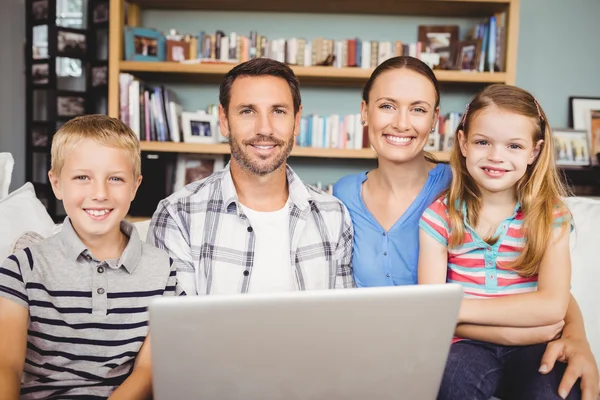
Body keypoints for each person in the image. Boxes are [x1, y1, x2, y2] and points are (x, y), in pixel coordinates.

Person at [333, 56, 598, 399]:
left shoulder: (471, 185)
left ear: (435, 120)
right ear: (365, 111)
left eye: (417, 108)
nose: (401, 122)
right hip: (394, 353)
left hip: (453, 343)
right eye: (387, 106)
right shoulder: (342, 196)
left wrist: (577, 338)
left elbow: (551, 293)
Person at [418, 84, 585, 399]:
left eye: (514, 146)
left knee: (554, 392)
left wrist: (458, 309)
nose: (496, 156)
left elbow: (551, 307)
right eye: (483, 142)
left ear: (534, 152)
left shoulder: (551, 216)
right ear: (463, 143)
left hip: (537, 345)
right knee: (452, 384)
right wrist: (518, 329)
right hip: (465, 346)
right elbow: (432, 314)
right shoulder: (438, 217)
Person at [0, 115, 182, 399]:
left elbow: (146, 372)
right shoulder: (22, 267)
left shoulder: (163, 270)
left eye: (116, 179)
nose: (99, 193)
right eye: (82, 177)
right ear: (57, 183)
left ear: (135, 185)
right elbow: (6, 366)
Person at [147, 58, 355, 295]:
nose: (264, 129)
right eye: (247, 111)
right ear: (224, 120)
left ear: (296, 121)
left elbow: (341, 324)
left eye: (278, 111)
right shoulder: (178, 214)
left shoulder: (334, 216)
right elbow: (177, 326)